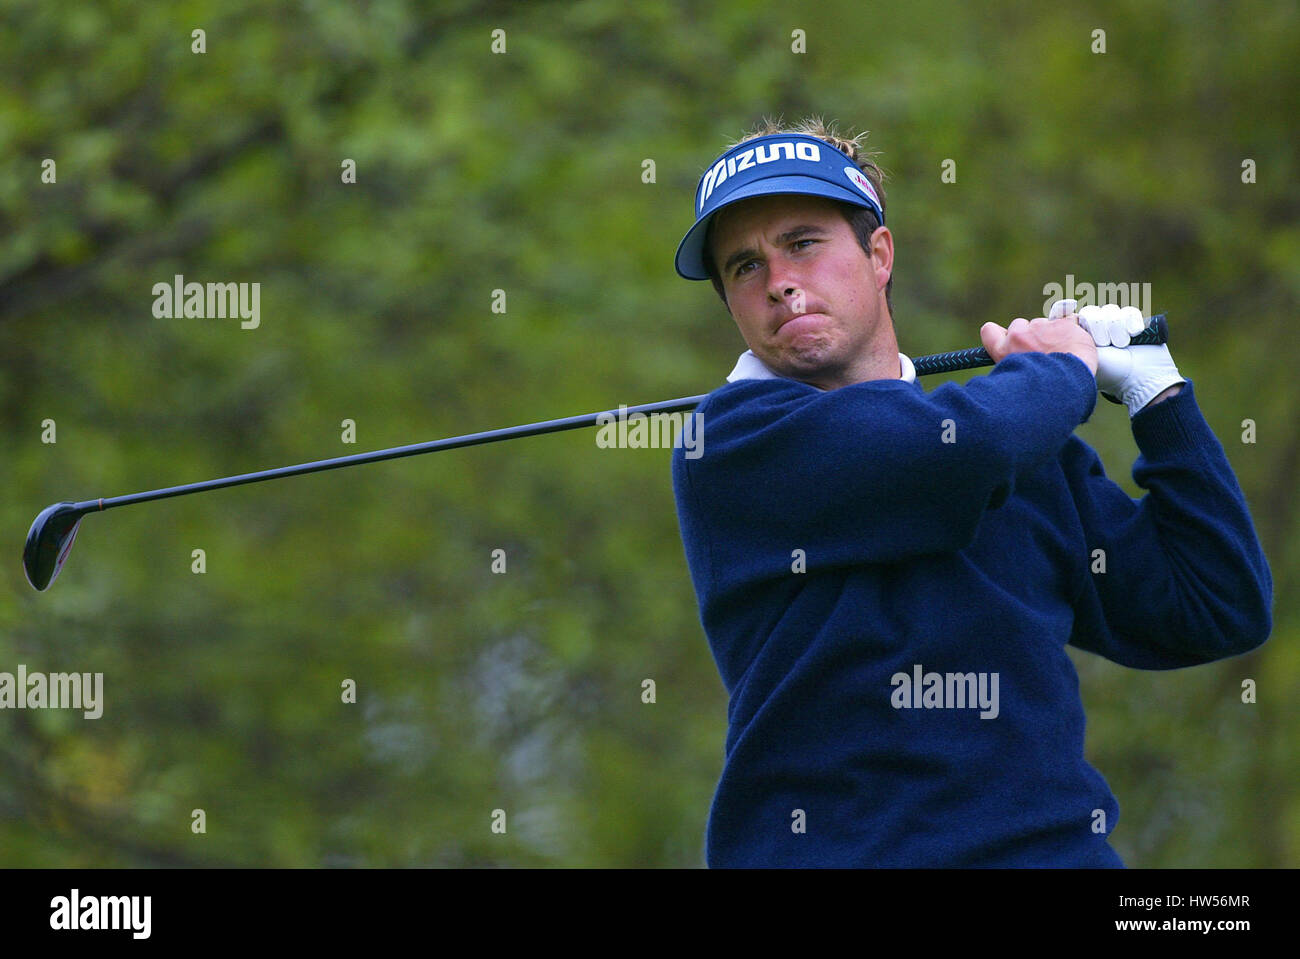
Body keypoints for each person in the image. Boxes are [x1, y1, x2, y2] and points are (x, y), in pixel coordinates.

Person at [669, 117, 1273, 867]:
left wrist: (1161, 399)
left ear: (879, 254)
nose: (779, 280)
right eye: (743, 266)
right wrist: (1062, 369)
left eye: (801, 242)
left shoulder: (1021, 443)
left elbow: (1218, 605)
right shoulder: (728, 441)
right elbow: (955, 454)